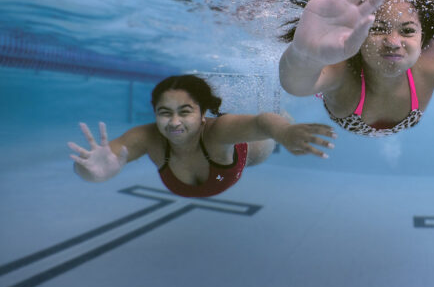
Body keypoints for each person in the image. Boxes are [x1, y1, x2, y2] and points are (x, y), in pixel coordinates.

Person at [68, 74, 335, 197]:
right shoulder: (147, 137)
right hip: (219, 171)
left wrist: (285, 132)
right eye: (164, 112)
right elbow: (99, 165)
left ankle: (285, 114)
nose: (173, 122)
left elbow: (263, 123)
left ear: (203, 113)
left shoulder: (218, 130)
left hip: (250, 154)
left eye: (185, 112)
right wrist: (91, 173)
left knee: (269, 129)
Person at [279, 0, 434, 137]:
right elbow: (295, 85)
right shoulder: (342, 70)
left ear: (422, 38)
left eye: (407, 30)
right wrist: (305, 55)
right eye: (378, 28)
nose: (393, 42)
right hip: (351, 116)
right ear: (358, 35)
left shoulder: (433, 61)